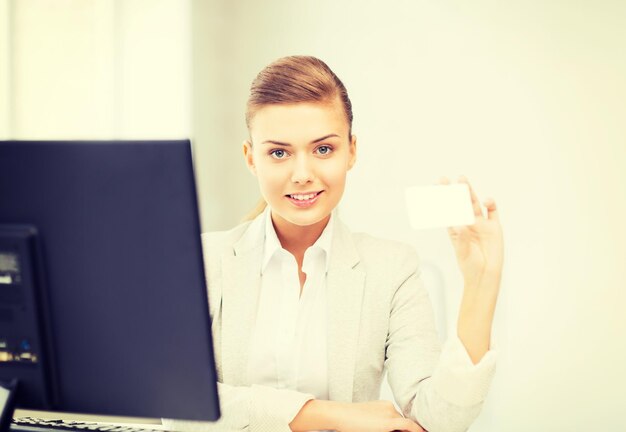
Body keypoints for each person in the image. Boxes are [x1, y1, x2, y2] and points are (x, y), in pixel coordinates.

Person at [163, 55, 503, 432]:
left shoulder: (392, 269)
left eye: (323, 149)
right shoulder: (203, 261)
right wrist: (327, 415)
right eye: (279, 152)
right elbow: (177, 408)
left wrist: (481, 282)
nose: (303, 175)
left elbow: (438, 421)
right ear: (251, 158)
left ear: (351, 150)